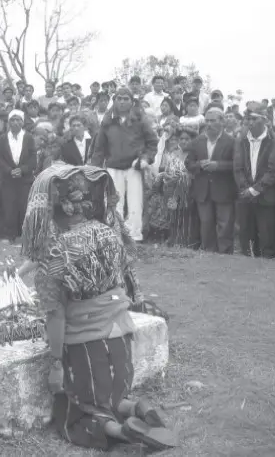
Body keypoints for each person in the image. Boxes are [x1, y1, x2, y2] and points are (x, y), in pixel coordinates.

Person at [18, 163, 176, 452]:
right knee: (112, 397)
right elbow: (127, 276)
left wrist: (56, 366)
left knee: (76, 411)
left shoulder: (54, 255)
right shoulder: (108, 233)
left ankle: (121, 433)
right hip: (121, 339)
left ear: (57, 209)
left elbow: (55, 316)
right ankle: (139, 408)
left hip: (87, 347)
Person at [90, 87, 159, 242]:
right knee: (115, 203)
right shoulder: (107, 121)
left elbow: (152, 143)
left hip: (134, 167)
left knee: (135, 203)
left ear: (132, 101)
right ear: (114, 101)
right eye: (119, 98)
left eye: (125, 98)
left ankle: (134, 237)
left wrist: (145, 159)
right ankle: (115, 237)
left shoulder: (140, 120)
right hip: (113, 167)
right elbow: (99, 148)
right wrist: (94, 170)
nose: (122, 101)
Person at [185, 108, 237, 254]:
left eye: (212, 120)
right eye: (207, 120)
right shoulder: (197, 141)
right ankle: (209, 253)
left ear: (222, 122)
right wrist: (199, 165)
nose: (209, 124)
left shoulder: (231, 141)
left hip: (224, 189)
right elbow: (188, 164)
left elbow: (238, 165)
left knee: (225, 225)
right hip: (202, 190)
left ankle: (225, 256)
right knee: (206, 224)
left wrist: (218, 166)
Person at [233, 102, 275, 258]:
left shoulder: (274, 141)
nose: (249, 123)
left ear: (264, 120)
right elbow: (237, 168)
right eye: (247, 119)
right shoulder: (241, 139)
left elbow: (273, 171)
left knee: (267, 240)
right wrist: (245, 189)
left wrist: (254, 190)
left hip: (266, 197)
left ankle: (266, 276)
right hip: (246, 197)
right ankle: (247, 274)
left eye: (254, 119)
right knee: (247, 240)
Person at [144, 127, 200, 247]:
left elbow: (195, 174)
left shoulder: (195, 155)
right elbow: (168, 170)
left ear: (193, 140)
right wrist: (166, 176)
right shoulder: (174, 154)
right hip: (170, 190)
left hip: (188, 193)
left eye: (187, 139)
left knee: (186, 218)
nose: (184, 141)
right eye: (181, 139)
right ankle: (173, 240)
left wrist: (183, 177)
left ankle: (186, 242)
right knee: (172, 217)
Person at [0, 110, 37, 244]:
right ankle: (10, 235)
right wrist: (9, 170)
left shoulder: (29, 137)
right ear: (8, 122)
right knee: (9, 206)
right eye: (12, 120)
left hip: (25, 179)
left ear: (23, 122)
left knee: (25, 207)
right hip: (8, 179)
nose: (15, 122)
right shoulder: (3, 138)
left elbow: (32, 159)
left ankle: (26, 235)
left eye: (18, 119)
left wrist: (22, 170)